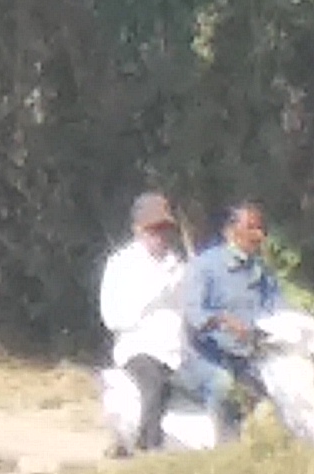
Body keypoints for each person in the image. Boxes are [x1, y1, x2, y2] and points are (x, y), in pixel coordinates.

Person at [185, 201, 309, 443]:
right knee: (224, 386)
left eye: (261, 229)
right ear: (230, 232)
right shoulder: (205, 267)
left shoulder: (261, 270)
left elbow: (278, 308)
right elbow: (193, 314)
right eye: (251, 228)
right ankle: (225, 446)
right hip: (208, 356)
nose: (259, 235)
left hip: (251, 355)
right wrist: (221, 320)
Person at [101, 192, 195, 452]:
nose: (160, 237)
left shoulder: (178, 266)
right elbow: (113, 317)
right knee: (153, 384)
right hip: (139, 347)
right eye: (153, 230)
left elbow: (188, 311)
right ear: (137, 230)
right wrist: (157, 294)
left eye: (164, 230)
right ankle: (147, 446)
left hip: (177, 348)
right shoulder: (121, 264)